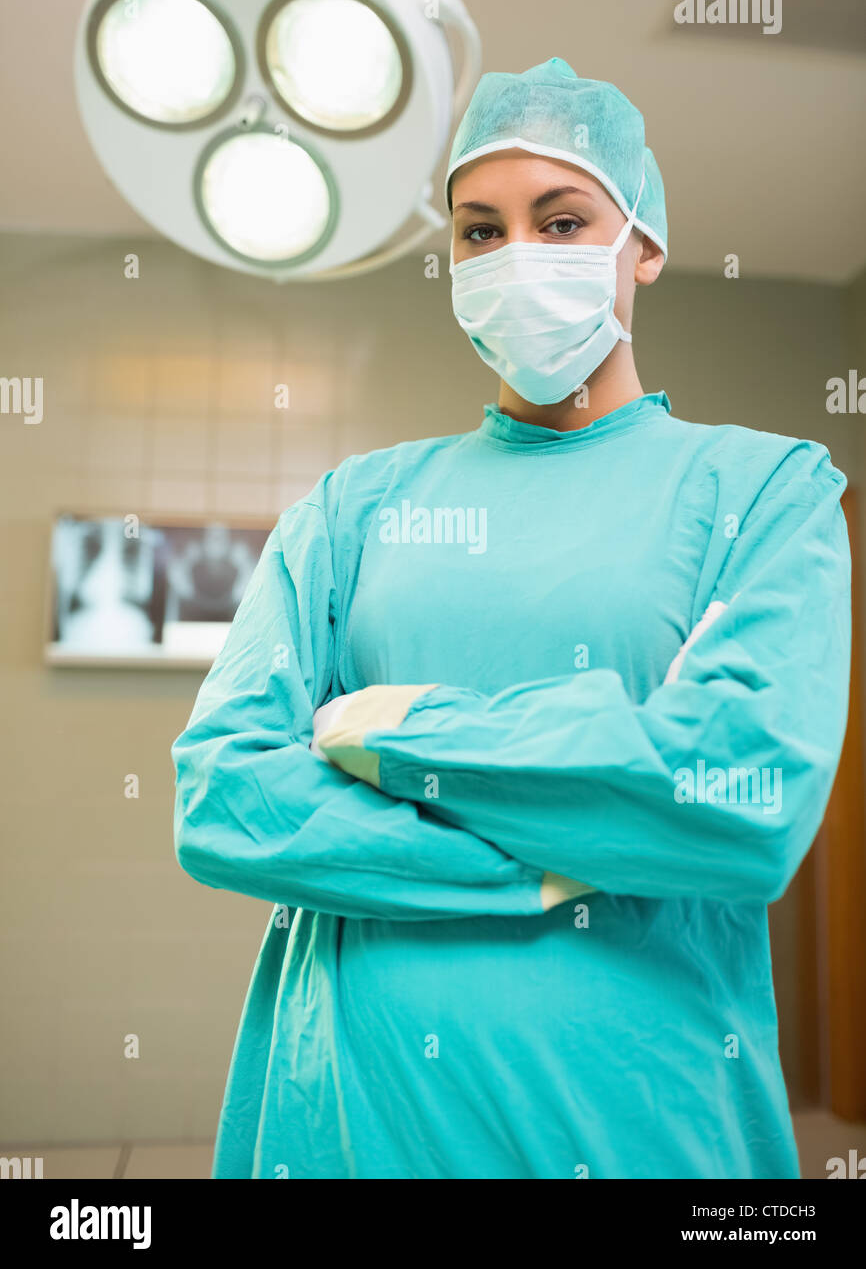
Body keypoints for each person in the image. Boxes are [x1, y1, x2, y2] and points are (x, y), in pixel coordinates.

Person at [171, 57, 851, 1179]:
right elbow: (223, 796)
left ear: (644, 245)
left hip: (639, 1125)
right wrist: (552, 856)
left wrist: (389, 732)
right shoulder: (353, 508)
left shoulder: (759, 491)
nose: (516, 256)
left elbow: (743, 791)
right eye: (478, 232)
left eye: (562, 218)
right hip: (352, 1123)